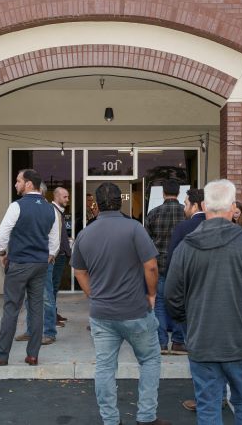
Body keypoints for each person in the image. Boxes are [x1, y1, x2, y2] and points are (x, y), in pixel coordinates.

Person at [166, 179, 242, 425]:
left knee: (208, 405)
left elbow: (172, 296)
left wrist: (189, 322)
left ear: (204, 205)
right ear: (233, 207)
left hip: (202, 339)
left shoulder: (186, 247)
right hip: (240, 340)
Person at [73, 182, 170, 425]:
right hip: (136, 310)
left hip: (102, 314)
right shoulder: (134, 228)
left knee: (105, 368)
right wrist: (151, 294)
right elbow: (150, 266)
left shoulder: (86, 233)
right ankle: (146, 417)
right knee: (149, 360)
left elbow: (78, 271)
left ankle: (110, 420)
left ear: (97, 204)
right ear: (120, 202)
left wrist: (93, 295)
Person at [0, 169, 60, 366]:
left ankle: (1, 354)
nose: (16, 184)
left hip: (20, 263)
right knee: (36, 309)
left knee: (11, 308)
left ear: (29, 184)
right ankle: (33, 355)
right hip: (40, 264)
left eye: (18, 181)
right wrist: (47, 258)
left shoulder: (17, 206)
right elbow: (54, 242)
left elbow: (2, 235)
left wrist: (2, 254)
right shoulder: (51, 209)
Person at [17, 183, 64, 344]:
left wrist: (51, 255)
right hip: (29, 260)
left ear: (40, 192)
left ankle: (49, 332)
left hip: (44, 262)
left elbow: (55, 237)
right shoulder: (25, 208)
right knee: (29, 298)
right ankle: (31, 331)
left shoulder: (49, 210)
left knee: (46, 297)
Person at [145, 178, 185, 354]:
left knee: (159, 304)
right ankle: (178, 341)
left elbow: (146, 242)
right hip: (180, 265)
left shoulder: (153, 213)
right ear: (179, 193)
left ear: (163, 193)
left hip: (159, 264)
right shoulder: (186, 213)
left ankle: (161, 342)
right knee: (179, 304)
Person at [51, 187, 73, 325]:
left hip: (60, 255)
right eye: (65, 197)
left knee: (55, 286)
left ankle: (53, 312)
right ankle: (50, 317)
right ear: (57, 196)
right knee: (52, 287)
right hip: (56, 256)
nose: (67, 199)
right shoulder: (53, 211)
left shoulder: (59, 212)